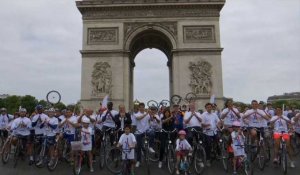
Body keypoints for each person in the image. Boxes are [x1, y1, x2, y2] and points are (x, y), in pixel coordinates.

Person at [134, 102, 150, 168]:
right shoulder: (136, 114)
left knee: (152, 134)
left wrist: (151, 115)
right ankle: (138, 161)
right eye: (140, 107)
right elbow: (138, 118)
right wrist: (146, 114)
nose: (142, 108)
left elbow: (150, 120)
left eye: (143, 107)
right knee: (138, 147)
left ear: (144, 107)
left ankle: (150, 147)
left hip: (146, 131)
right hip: (139, 132)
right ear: (139, 108)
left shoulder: (148, 115)